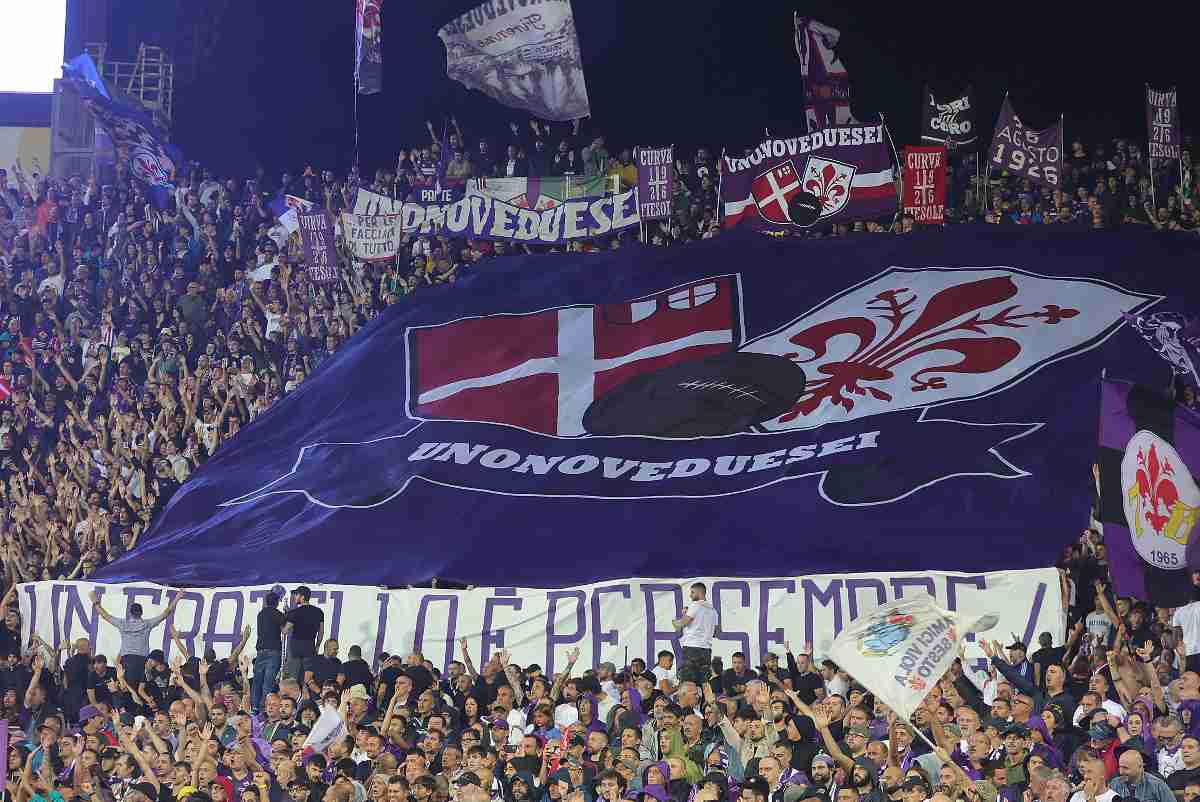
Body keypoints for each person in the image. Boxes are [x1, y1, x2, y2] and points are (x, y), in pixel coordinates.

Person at [89, 588, 181, 685]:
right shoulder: (147, 624)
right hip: (142, 660)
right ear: (141, 613)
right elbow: (166, 613)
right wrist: (177, 598)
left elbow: (105, 615)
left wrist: (95, 602)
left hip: (127, 660)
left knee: (127, 688)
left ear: (130, 613)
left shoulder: (122, 624)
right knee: (140, 688)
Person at [674, 582, 718, 684]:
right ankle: (705, 700)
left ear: (700, 592)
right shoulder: (713, 611)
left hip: (691, 649)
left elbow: (681, 624)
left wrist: (682, 615)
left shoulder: (695, 606)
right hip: (706, 650)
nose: (690, 595)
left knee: (687, 682)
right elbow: (716, 633)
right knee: (704, 682)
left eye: (692, 592)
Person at [253, 590, 285, 713]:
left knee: (257, 682)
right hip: (273, 651)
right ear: (277, 603)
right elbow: (284, 628)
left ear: (266, 602)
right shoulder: (277, 614)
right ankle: (265, 710)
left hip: (260, 651)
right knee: (268, 682)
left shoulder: (260, 614)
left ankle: (255, 708)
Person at [283, 585, 324, 680]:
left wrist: (283, 619)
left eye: (296, 595)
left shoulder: (294, 613)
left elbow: (285, 630)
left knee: (293, 677)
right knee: (307, 678)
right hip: (310, 646)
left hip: (295, 647)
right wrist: (317, 646)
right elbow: (321, 633)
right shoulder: (318, 612)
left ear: (302, 597)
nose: (294, 597)